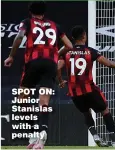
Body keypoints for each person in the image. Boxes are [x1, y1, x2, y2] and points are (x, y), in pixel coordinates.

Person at [3, 1, 73, 149]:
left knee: (22, 100)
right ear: (44, 12)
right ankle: (42, 137)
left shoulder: (27, 22)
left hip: (33, 64)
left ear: (30, 12)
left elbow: (19, 37)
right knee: (44, 102)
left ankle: (32, 135)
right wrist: (54, 54)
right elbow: (69, 46)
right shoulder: (55, 25)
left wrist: (11, 56)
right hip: (50, 65)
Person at [57, 25, 115, 147]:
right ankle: (114, 141)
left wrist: (60, 81)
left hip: (74, 91)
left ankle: (95, 135)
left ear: (73, 38)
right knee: (105, 110)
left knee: (86, 112)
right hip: (89, 88)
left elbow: (58, 67)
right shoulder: (90, 52)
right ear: (84, 36)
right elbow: (108, 64)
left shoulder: (66, 52)